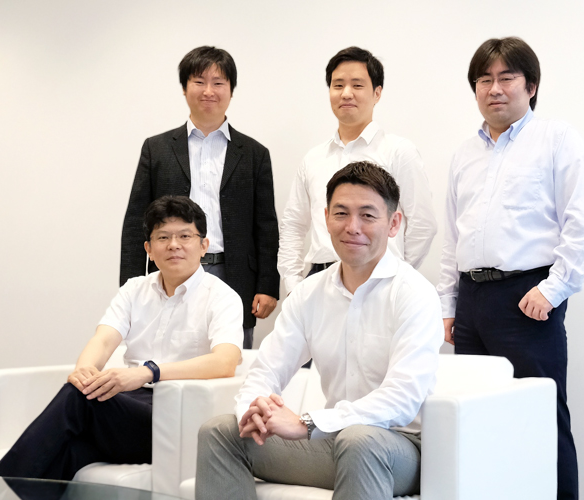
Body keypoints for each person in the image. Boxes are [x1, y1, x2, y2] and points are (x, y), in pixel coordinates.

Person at [196, 162, 443, 500]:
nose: (352, 227)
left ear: (394, 223)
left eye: (368, 215)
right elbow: (267, 370)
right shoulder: (309, 294)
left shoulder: (414, 294)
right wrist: (256, 409)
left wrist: (308, 424)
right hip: (333, 443)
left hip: (399, 448)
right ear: (326, 218)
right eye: (341, 213)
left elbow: (402, 398)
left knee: (359, 440)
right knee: (221, 432)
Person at [438, 37, 584, 500]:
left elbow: (582, 220)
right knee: (475, 419)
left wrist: (554, 288)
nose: (494, 88)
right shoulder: (464, 154)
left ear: (531, 86)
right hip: (472, 301)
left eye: (506, 77)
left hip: (528, 299)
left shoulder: (556, 139)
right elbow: (453, 235)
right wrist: (448, 303)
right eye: (484, 79)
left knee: (542, 418)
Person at [0, 196, 244, 480]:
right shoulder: (134, 289)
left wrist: (148, 372)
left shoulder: (222, 297)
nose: (174, 245)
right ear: (149, 249)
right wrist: (84, 371)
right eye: (163, 237)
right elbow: (103, 340)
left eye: (185, 236)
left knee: (79, 397)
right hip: (126, 410)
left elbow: (225, 362)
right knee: (70, 450)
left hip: (178, 416)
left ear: (204, 245)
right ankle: (0, 493)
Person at [120, 46, 280, 349]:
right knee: (164, 355)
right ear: (184, 88)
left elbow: (266, 227)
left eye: (218, 83)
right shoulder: (157, 149)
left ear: (231, 90)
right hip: (171, 269)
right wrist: (129, 286)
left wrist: (268, 285)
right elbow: (135, 222)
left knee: (229, 359)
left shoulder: (254, 154)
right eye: (199, 81)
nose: (209, 91)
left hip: (232, 274)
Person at [277, 46, 436, 295]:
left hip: (379, 281)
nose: (346, 93)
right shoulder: (314, 158)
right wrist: (293, 285)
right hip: (320, 280)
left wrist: (394, 273)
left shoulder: (398, 152)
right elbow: (293, 225)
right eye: (338, 85)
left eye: (357, 85)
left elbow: (423, 224)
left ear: (377, 93)